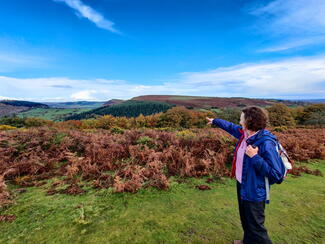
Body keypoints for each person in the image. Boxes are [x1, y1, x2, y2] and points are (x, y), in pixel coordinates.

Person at [207, 106, 284, 244]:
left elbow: (276, 175)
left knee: (256, 227)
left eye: (241, 118)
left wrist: (255, 157)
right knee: (245, 218)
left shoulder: (265, 143)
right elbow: (230, 127)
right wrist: (215, 121)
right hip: (242, 183)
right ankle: (247, 241)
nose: (239, 120)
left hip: (254, 189)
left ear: (249, 121)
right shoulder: (245, 135)